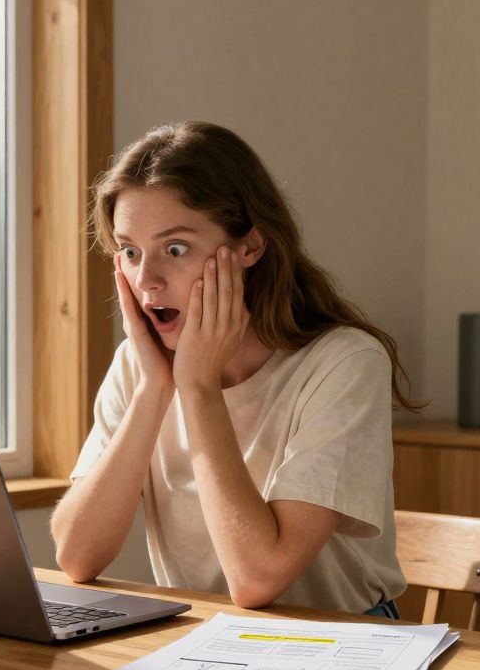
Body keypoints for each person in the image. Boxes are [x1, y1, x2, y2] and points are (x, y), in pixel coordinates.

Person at [50, 121, 426, 616]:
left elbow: (256, 581)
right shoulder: (139, 366)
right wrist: (152, 391)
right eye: (130, 251)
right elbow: (77, 557)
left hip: (346, 643)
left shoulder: (344, 363)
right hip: (205, 641)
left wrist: (198, 387)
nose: (147, 281)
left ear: (249, 247)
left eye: (175, 249)